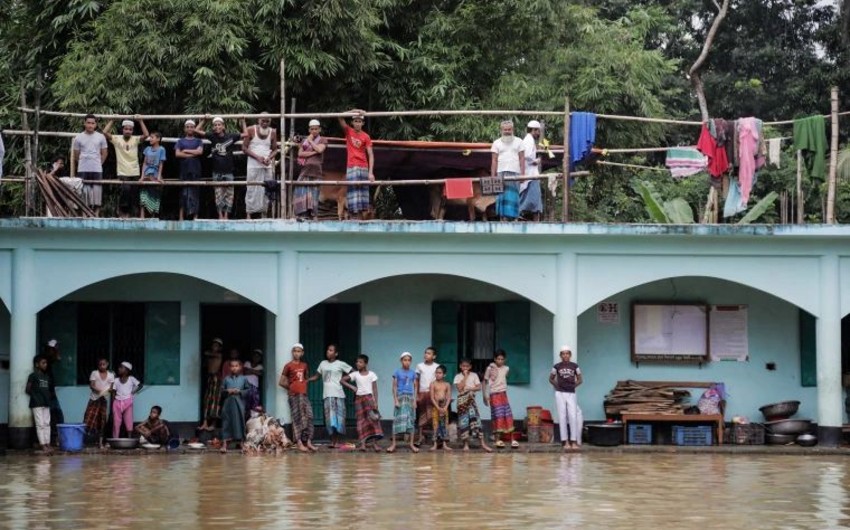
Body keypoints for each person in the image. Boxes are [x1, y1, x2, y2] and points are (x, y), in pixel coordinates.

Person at [195, 117, 247, 220]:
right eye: (215, 125)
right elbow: (196, 131)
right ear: (213, 127)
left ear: (223, 126)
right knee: (218, 194)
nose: (217, 127)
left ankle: (226, 215)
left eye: (219, 124)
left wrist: (243, 121)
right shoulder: (212, 136)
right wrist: (204, 120)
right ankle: (220, 215)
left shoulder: (231, 136)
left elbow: (246, 134)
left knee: (229, 194)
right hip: (217, 170)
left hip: (229, 170)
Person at [103, 117, 149, 217]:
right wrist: (112, 120)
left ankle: (133, 216)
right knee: (125, 191)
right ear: (123, 129)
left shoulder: (135, 139)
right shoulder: (116, 139)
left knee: (134, 194)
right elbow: (105, 132)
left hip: (134, 171)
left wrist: (141, 121)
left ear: (132, 131)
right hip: (123, 171)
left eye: (130, 129)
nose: (128, 131)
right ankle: (123, 214)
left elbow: (146, 135)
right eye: (126, 129)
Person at [311, 344, 352, 448]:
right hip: (327, 395)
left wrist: (344, 380)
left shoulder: (340, 364)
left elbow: (353, 373)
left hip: (338, 394)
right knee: (330, 419)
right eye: (328, 350)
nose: (328, 352)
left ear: (336, 353)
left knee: (339, 419)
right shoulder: (322, 364)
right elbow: (316, 376)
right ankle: (332, 441)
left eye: (331, 350)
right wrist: (306, 380)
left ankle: (337, 441)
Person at [336, 109, 375, 220]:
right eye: (356, 121)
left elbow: (370, 154)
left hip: (363, 166)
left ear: (362, 123)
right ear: (352, 123)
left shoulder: (366, 137)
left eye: (359, 121)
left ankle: (361, 216)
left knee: (363, 191)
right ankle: (353, 215)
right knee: (352, 190)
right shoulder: (348, 131)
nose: (357, 123)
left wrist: (371, 172)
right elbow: (339, 116)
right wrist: (355, 111)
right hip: (352, 166)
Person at [279, 343, 316, 452]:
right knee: (297, 418)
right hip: (293, 396)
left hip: (304, 395)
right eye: (295, 351)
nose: (296, 353)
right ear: (292, 352)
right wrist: (291, 387)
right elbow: (281, 382)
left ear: (302, 353)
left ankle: (308, 442)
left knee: (309, 416)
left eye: (299, 351)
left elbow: (305, 379)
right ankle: (299, 442)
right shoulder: (288, 365)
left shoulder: (304, 365)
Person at [342, 354, 383, 452]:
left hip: (369, 399)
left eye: (360, 362)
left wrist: (375, 402)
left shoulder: (372, 374)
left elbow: (375, 389)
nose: (358, 364)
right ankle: (363, 444)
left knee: (373, 420)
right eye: (357, 362)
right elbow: (342, 380)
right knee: (361, 421)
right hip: (359, 399)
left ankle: (375, 444)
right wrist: (352, 387)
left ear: (366, 364)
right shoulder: (355, 374)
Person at [242, 114, 278, 219]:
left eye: (267, 121)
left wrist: (269, 158)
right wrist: (257, 157)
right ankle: (249, 215)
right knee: (251, 188)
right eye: (263, 121)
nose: (265, 123)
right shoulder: (250, 129)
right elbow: (244, 147)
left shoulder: (273, 132)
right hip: (253, 165)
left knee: (267, 188)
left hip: (267, 165)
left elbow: (275, 149)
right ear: (258, 120)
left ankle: (264, 214)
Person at [71, 114, 108, 216]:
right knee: (83, 191)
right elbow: (76, 154)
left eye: (92, 123)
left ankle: (96, 214)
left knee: (97, 191)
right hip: (83, 168)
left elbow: (104, 153)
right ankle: (84, 213)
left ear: (96, 124)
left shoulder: (101, 137)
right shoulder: (78, 137)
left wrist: (99, 163)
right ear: (84, 123)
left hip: (97, 168)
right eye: (88, 123)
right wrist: (83, 162)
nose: (90, 125)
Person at [489, 120, 525, 221]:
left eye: (509, 129)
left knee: (514, 195)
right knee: (502, 196)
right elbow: (494, 160)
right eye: (505, 130)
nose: (507, 131)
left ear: (512, 130)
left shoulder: (519, 141)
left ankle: (514, 218)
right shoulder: (496, 143)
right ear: (501, 130)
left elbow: (522, 158)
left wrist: (523, 174)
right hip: (501, 172)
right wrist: (493, 175)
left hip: (515, 172)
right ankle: (502, 218)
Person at [549, 346, 583, 451]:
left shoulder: (575, 366)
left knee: (573, 416)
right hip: (560, 393)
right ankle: (565, 441)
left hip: (571, 393)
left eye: (567, 353)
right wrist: (557, 386)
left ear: (570, 355)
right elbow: (550, 378)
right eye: (563, 353)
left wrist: (573, 386)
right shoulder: (556, 366)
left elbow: (580, 379)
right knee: (562, 416)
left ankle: (574, 441)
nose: (565, 355)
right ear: (560, 355)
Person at [454, 358, 492, 452]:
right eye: (463, 366)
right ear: (460, 366)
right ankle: (466, 444)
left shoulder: (474, 375)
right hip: (461, 402)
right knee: (464, 423)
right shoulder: (458, 376)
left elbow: (479, 387)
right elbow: (459, 388)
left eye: (467, 366)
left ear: (470, 367)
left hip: (471, 401)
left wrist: (470, 388)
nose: (465, 368)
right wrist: (466, 376)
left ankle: (482, 443)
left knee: (477, 421)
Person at [294, 119, 327, 220]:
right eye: (312, 129)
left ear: (319, 129)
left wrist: (311, 141)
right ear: (309, 130)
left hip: (316, 171)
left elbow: (320, 149)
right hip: (305, 170)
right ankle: (302, 215)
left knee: (314, 194)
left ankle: (314, 216)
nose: (314, 131)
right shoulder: (304, 142)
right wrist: (314, 152)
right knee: (301, 191)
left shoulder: (323, 140)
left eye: (316, 129)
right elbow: (300, 154)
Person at [484, 349, 517, 448]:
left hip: (503, 394)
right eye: (498, 359)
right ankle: (497, 439)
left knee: (508, 415)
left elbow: (505, 377)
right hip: (494, 394)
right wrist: (484, 396)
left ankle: (512, 439)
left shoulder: (506, 368)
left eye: (502, 359)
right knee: (498, 416)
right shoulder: (490, 368)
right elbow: (485, 382)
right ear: (494, 359)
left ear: (505, 360)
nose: (500, 361)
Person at [387, 351, 418, 453]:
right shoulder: (397, 372)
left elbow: (415, 387)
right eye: (405, 360)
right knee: (397, 421)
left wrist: (415, 400)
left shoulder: (413, 373)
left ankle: (411, 444)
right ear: (401, 361)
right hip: (400, 398)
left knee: (411, 421)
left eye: (409, 360)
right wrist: (395, 400)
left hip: (410, 398)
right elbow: (394, 387)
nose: (407, 362)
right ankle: (394, 444)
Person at [175, 119, 205, 221]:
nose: (189, 128)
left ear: (194, 128)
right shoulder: (180, 141)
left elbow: (200, 152)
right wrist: (194, 153)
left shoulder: (198, 141)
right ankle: (181, 217)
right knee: (183, 193)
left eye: (192, 127)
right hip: (184, 170)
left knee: (195, 193)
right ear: (184, 129)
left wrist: (186, 151)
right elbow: (178, 154)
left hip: (196, 170)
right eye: (187, 127)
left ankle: (195, 217)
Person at [220, 358, 250, 453]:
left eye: (236, 366)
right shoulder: (226, 379)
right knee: (226, 421)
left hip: (239, 403)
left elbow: (248, 390)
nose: (234, 368)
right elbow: (221, 391)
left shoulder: (244, 379)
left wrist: (240, 391)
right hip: (228, 402)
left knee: (240, 421)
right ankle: (224, 444)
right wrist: (227, 391)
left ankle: (242, 443)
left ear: (240, 367)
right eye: (232, 366)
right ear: (229, 368)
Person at [83, 358, 114, 446]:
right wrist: (99, 391)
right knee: (88, 418)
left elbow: (111, 388)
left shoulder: (111, 375)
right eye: (100, 364)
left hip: (103, 400)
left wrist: (108, 391)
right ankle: (82, 440)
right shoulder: (94, 373)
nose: (102, 366)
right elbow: (92, 385)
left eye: (103, 364)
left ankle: (100, 443)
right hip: (94, 399)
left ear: (107, 364)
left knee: (102, 421)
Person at [26, 354, 52, 454]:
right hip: (36, 403)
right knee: (40, 424)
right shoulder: (33, 376)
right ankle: (42, 444)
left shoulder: (46, 377)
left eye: (46, 363)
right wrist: (35, 396)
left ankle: (48, 443)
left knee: (47, 424)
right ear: (37, 365)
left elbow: (47, 390)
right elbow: (28, 389)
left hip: (46, 403)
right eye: (43, 363)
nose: (45, 365)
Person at [111, 361, 142, 439]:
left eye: (121, 368)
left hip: (128, 402)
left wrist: (133, 392)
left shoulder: (131, 379)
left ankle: (129, 438)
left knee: (129, 420)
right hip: (117, 402)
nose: (119, 369)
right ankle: (115, 439)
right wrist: (113, 402)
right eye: (119, 367)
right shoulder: (116, 380)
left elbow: (140, 385)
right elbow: (113, 392)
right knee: (116, 422)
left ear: (127, 370)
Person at [414, 346, 438, 446]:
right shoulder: (419, 366)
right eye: (425, 353)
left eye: (429, 353)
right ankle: (420, 437)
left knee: (433, 415)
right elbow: (416, 381)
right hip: (422, 393)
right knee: (421, 415)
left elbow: (438, 381)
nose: (426, 355)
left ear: (434, 356)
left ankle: (435, 438)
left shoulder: (437, 366)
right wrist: (416, 395)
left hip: (433, 393)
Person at [520, 120, 543, 221]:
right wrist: (535, 161)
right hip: (530, 174)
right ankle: (534, 219)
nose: (539, 133)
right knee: (534, 198)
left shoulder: (528, 140)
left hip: (531, 173)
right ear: (534, 130)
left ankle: (524, 215)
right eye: (538, 131)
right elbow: (526, 155)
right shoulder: (528, 140)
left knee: (530, 197)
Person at [199, 338, 224, 432]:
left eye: (217, 345)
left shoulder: (218, 354)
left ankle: (214, 424)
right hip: (209, 378)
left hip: (217, 378)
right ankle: (205, 423)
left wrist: (206, 353)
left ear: (220, 348)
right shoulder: (210, 357)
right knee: (207, 400)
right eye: (213, 345)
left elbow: (207, 353)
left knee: (215, 401)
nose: (214, 347)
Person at [140, 132, 166, 219]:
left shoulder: (161, 149)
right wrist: (142, 176)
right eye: (150, 137)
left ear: (158, 139)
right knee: (144, 194)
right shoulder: (147, 149)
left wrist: (158, 177)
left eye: (152, 137)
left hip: (155, 173)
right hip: (147, 173)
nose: (150, 139)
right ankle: (142, 215)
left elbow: (161, 164)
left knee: (154, 194)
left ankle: (153, 216)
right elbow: (144, 163)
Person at [43, 339, 64, 441]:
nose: (55, 351)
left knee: (57, 415)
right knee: (53, 416)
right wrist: (55, 350)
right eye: (54, 349)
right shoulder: (45, 359)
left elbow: (58, 358)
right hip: (47, 393)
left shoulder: (48, 360)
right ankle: (52, 438)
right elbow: (58, 358)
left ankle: (57, 437)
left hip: (51, 392)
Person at [430, 365, 452, 452]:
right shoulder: (433, 384)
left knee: (444, 425)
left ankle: (444, 444)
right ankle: (435, 444)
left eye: (440, 373)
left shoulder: (447, 384)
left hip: (444, 407)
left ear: (444, 374)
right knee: (435, 424)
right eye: (436, 373)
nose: (437, 374)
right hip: (436, 406)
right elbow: (432, 397)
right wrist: (438, 407)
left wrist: (446, 407)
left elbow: (449, 397)